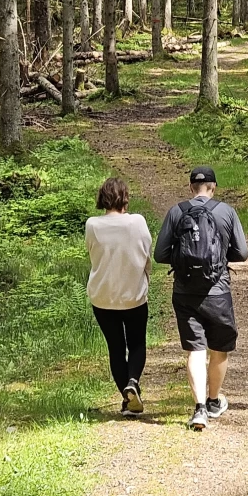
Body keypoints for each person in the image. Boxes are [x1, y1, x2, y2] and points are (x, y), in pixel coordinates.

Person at [154, 165, 248, 430]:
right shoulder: (226, 212)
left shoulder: (177, 211)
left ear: (190, 188)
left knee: (195, 350)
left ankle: (198, 410)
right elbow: (242, 253)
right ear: (214, 187)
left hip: (185, 292)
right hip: (218, 291)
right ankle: (213, 401)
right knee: (219, 349)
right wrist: (216, 259)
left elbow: (160, 254)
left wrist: (186, 260)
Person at [86, 177, 153, 416]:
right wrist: (146, 275)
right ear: (125, 197)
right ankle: (132, 382)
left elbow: (92, 254)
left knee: (116, 348)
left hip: (102, 296)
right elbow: (147, 254)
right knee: (136, 343)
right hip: (133, 294)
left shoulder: (92, 224)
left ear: (102, 198)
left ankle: (128, 400)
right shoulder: (138, 222)